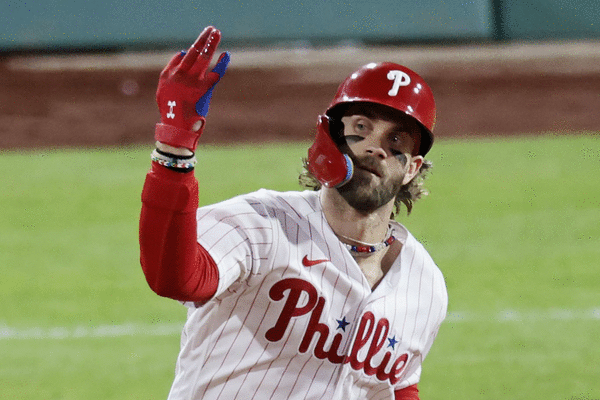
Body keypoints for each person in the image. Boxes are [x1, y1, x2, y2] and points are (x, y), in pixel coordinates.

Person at [139, 26, 447, 400]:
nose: (374, 148)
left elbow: (398, 388)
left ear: (412, 168)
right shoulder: (259, 225)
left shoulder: (424, 284)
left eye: (394, 139)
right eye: (361, 128)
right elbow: (174, 278)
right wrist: (175, 150)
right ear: (330, 138)